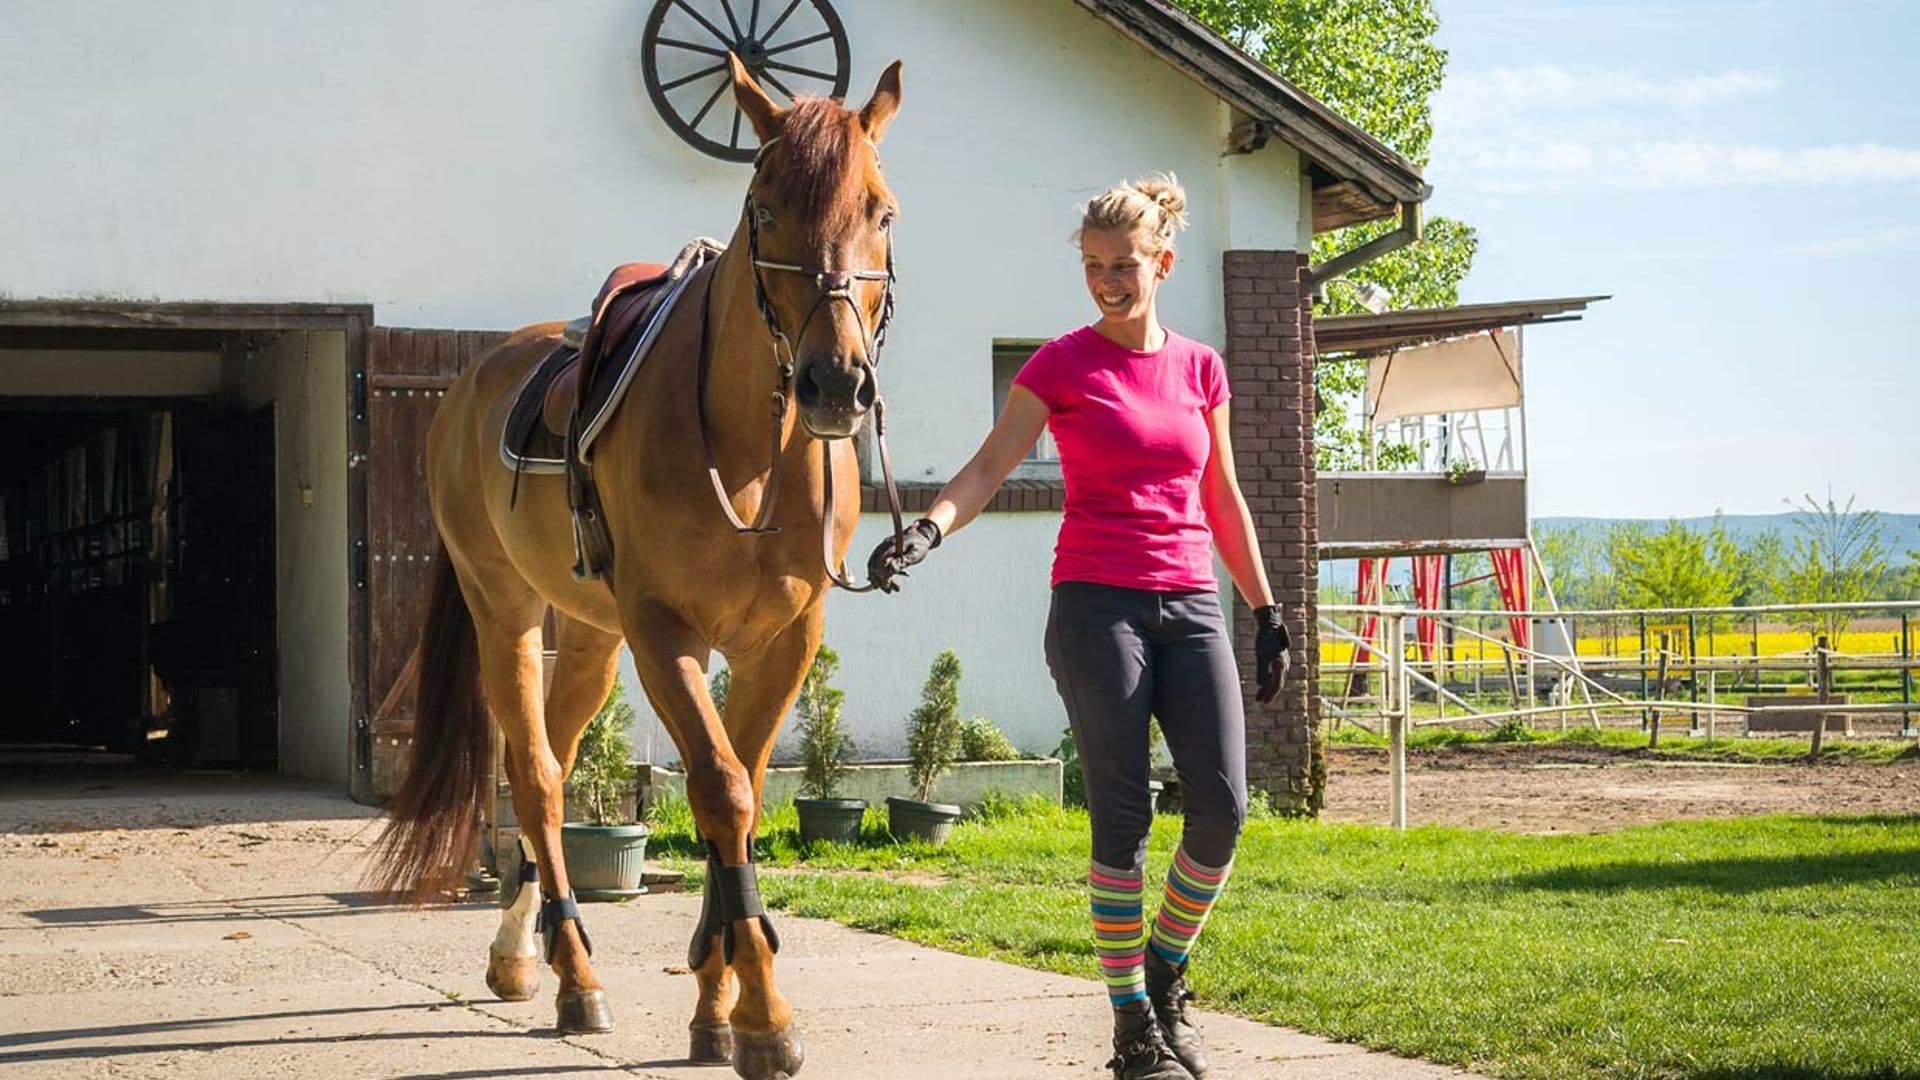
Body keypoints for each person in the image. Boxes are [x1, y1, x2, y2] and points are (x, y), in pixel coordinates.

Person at [867, 175, 1291, 1080]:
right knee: (1124, 815)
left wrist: (1266, 610)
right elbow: (987, 467)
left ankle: (1166, 973)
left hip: (1191, 606)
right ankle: (1132, 1025)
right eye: (1094, 266)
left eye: (1124, 265)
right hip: (1097, 605)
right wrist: (929, 528)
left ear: (1162, 263)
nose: (1107, 281)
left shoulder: (1201, 367)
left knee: (1221, 809)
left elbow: (1221, 496)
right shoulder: (1060, 365)